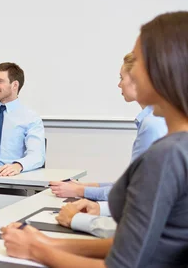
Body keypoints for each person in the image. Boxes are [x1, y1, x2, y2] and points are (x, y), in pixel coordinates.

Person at [1, 11, 188, 267]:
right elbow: (143, 243)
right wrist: (48, 242)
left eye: (138, 62)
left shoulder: (167, 154)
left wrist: (36, 251)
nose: (130, 73)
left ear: (163, 68)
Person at [49, 53, 167, 201]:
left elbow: (133, 190)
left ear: (137, 81)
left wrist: (80, 191)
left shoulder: (152, 124)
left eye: (121, 78)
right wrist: (86, 186)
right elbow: (130, 183)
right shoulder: (154, 119)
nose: (119, 84)